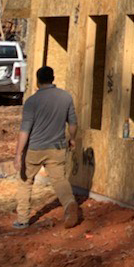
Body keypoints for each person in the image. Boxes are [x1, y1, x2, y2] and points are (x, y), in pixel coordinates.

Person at [13, 65, 81, 231]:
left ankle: (22, 219)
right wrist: (72, 139)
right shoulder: (65, 97)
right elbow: (73, 123)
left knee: (25, 181)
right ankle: (70, 204)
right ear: (53, 78)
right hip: (57, 148)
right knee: (59, 180)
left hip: (35, 149)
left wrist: (18, 153)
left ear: (37, 80)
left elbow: (25, 130)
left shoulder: (32, 102)